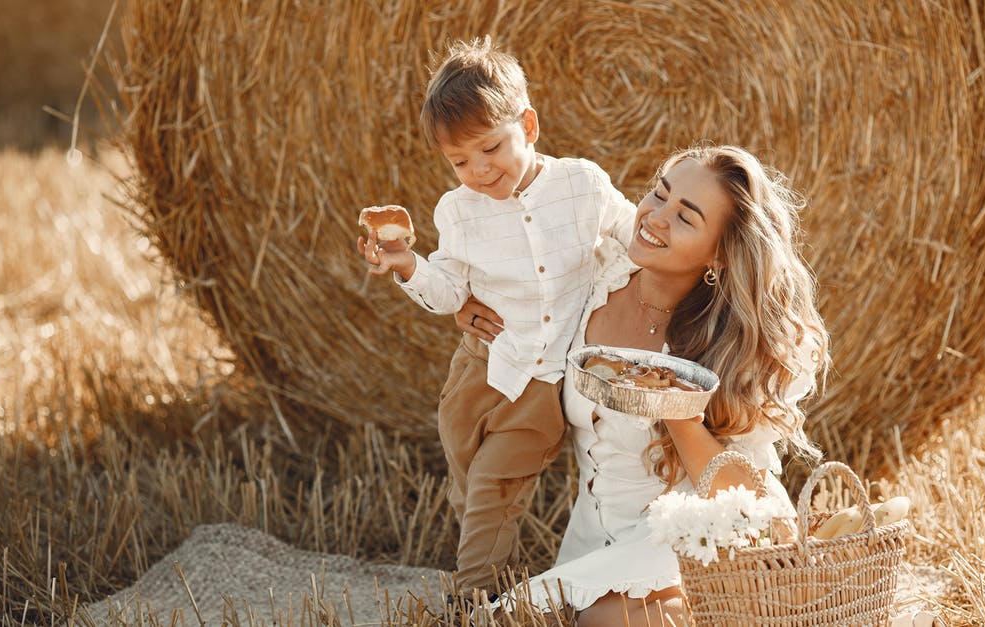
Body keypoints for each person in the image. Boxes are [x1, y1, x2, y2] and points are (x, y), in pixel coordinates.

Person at [457, 144, 829, 625]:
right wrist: (463, 301)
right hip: (592, 548)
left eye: (685, 217)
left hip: (690, 540)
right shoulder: (593, 278)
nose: (654, 216)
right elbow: (509, 241)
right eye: (660, 193)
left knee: (619, 622)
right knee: (504, 620)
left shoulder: (736, 347)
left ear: (719, 253)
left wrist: (680, 412)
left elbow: (747, 498)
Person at [355, 37, 635, 601]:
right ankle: (497, 567)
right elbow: (449, 287)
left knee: (494, 485)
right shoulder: (456, 210)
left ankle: (473, 599)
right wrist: (409, 265)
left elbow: (636, 238)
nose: (479, 170)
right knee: (468, 485)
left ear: (528, 126)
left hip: (541, 379)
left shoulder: (582, 184)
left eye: (491, 148)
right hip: (476, 372)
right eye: (460, 161)